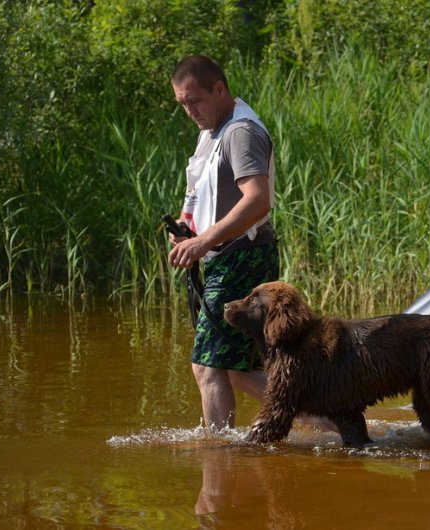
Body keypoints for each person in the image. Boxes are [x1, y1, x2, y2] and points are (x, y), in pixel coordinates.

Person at [167, 55, 280, 432]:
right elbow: (198, 196)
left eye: (194, 100)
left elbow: (258, 199)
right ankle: (335, 418)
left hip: (243, 257)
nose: (189, 110)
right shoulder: (210, 133)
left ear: (220, 88)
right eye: (182, 103)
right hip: (226, 256)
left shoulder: (240, 132)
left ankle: (218, 456)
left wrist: (203, 242)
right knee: (235, 370)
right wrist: (185, 228)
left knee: (208, 365)